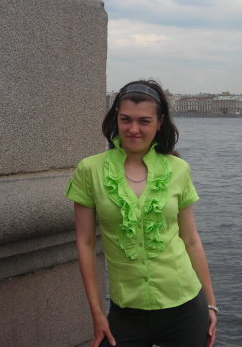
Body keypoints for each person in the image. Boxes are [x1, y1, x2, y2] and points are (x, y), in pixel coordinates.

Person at [66, 80, 217, 347]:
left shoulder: (178, 169)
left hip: (186, 307)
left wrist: (211, 304)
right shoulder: (90, 170)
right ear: (116, 118)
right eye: (126, 119)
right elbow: (85, 243)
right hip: (127, 312)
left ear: (159, 123)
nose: (133, 129)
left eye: (144, 121)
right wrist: (97, 313)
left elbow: (191, 239)